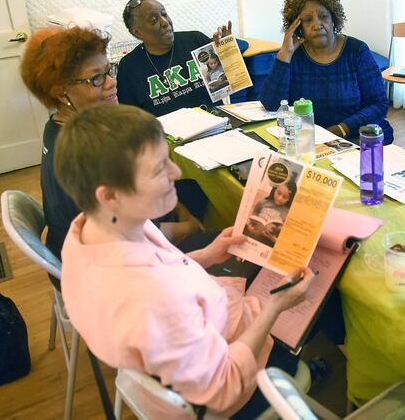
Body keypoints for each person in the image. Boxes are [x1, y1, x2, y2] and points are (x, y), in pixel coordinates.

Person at [55, 103, 318, 418]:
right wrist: (275, 308)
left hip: (203, 331)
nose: (176, 173)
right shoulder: (152, 297)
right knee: (321, 299)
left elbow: (155, 266)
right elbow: (224, 385)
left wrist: (205, 256)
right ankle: (306, 370)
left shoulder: (91, 227)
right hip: (229, 385)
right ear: (110, 195)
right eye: (158, 169)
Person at [19, 26, 205, 273]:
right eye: (96, 78)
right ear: (61, 92)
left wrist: (180, 210)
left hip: (102, 250)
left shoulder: (57, 127)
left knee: (188, 191)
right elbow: (134, 239)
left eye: (108, 71)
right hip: (109, 268)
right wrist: (190, 227)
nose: (111, 82)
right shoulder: (90, 155)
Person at [260, 0, 393, 144]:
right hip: (309, 141)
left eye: (324, 17)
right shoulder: (293, 55)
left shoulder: (357, 51)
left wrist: (341, 129)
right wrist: (284, 55)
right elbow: (272, 105)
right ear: (297, 26)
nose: (317, 25)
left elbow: (379, 105)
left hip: (356, 136)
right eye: (308, 20)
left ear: (334, 19)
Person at [117, 0, 246, 117]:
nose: (165, 22)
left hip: (215, 127)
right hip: (167, 137)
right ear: (137, 32)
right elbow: (132, 119)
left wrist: (228, 51)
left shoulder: (195, 40)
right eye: (154, 20)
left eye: (164, 14)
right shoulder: (129, 67)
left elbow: (235, 80)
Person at [244, 181, 297, 246]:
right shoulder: (264, 202)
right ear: (275, 189)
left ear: (290, 199)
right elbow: (254, 213)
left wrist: (274, 240)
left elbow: (286, 238)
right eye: (278, 193)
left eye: (285, 197)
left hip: (269, 243)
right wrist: (250, 225)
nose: (279, 198)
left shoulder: (288, 213)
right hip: (253, 236)